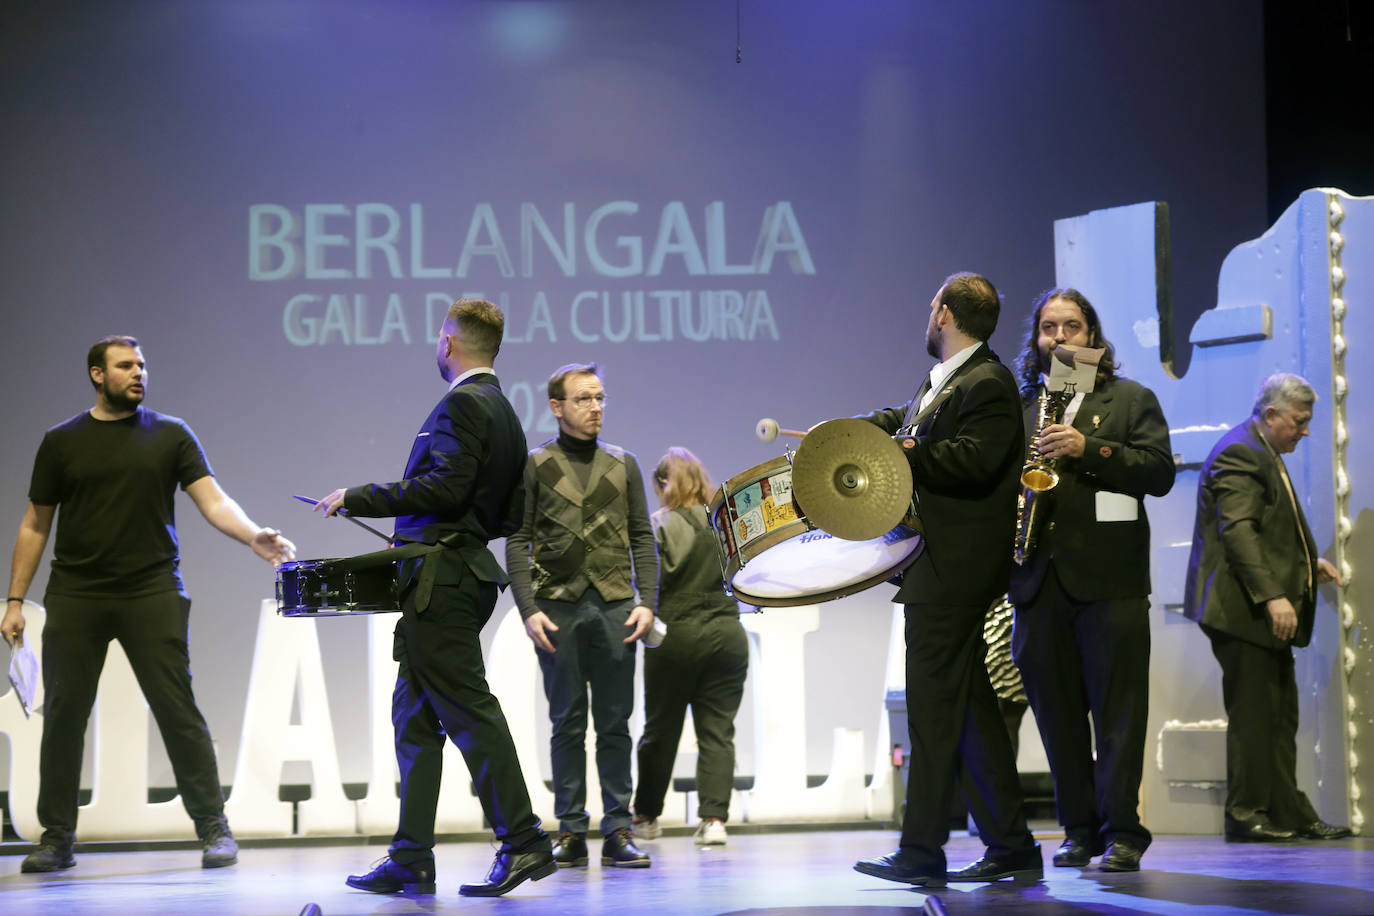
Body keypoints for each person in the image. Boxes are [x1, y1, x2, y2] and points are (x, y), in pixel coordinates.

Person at [1, 335, 296, 873]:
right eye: (125, 366)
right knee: (64, 715)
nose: (138, 373)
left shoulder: (170, 435)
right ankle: (57, 837)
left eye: (141, 365)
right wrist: (15, 598)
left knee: (177, 709)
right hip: (78, 593)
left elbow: (213, 498)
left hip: (152, 589)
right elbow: (35, 521)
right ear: (97, 374)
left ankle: (214, 828)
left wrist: (253, 535)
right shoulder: (62, 441)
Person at [319, 299, 556, 898]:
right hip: (459, 575)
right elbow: (508, 509)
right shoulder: (503, 411)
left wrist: (358, 495)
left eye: (437, 337)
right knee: (415, 719)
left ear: (450, 343)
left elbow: (445, 487)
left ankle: (524, 841)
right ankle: (411, 857)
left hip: (442, 583)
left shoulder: (462, 404)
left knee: (470, 710)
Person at [852, 273, 1041, 888]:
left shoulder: (987, 381)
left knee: (933, 712)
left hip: (954, 569)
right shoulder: (953, 378)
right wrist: (853, 435)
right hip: (940, 566)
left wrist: (904, 450)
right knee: (968, 713)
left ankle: (921, 849)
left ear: (943, 315)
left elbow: (971, 458)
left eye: (930, 305)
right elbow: (908, 421)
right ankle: (1012, 846)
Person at [1006, 288, 1175, 872]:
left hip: (1111, 584)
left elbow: (1158, 474)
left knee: (1119, 716)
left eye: (1071, 327)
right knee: (1056, 719)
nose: (1058, 338)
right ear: (1036, 340)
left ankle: (1122, 833)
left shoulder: (1130, 400)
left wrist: (1089, 447)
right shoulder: (1022, 409)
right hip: (1037, 584)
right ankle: (1078, 831)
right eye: (1047, 328)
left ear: (1093, 339)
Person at [1183, 372, 1352, 843]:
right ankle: (1245, 814)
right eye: (1299, 421)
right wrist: (1275, 595)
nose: (1305, 430)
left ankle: (1288, 812)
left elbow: (1262, 528)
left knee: (1278, 715)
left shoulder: (1262, 449)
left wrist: (1303, 563)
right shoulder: (1242, 453)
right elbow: (1238, 532)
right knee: (1256, 715)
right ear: (1272, 414)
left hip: (1252, 609)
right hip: (1242, 612)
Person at [505, 362, 658, 869]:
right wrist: (528, 608)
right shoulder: (535, 464)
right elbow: (518, 539)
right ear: (557, 407)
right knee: (566, 723)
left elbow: (641, 535)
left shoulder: (623, 463)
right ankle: (570, 830)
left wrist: (647, 601)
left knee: (615, 724)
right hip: (557, 608)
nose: (596, 408)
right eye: (584, 399)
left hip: (616, 606)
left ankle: (618, 829)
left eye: (600, 398)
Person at [630, 448, 749, 846]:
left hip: (676, 636)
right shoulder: (727, 523)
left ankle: (646, 817)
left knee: (660, 731)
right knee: (718, 731)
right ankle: (714, 820)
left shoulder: (659, 525)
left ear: (666, 483)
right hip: (728, 634)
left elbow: (646, 582)